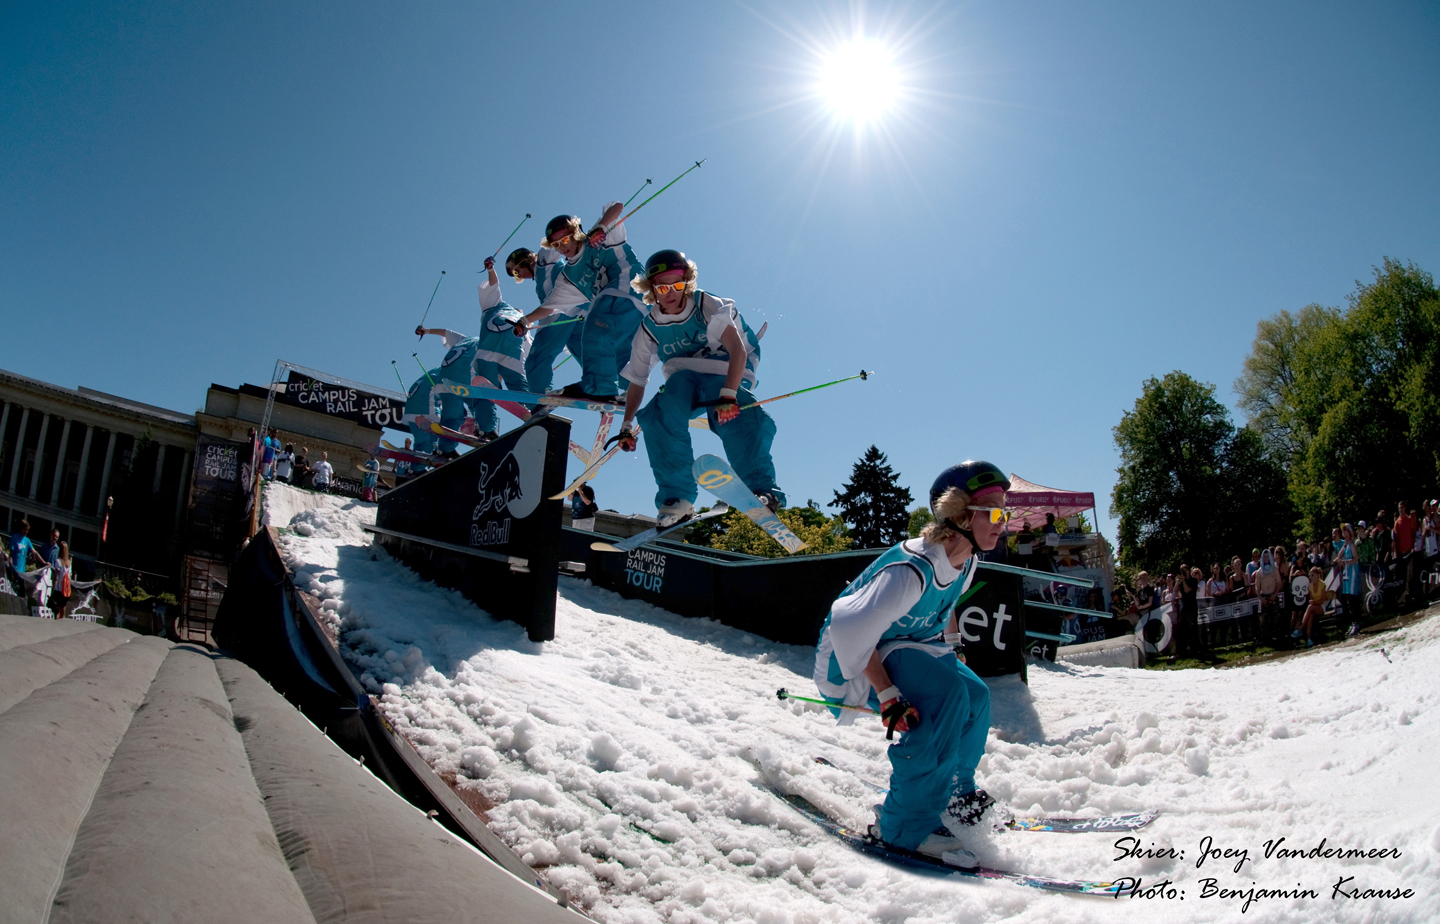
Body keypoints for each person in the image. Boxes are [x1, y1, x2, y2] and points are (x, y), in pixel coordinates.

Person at [811, 461, 1011, 860]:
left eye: (1006, 512)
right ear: (959, 515)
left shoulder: (966, 558)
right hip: (853, 658)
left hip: (907, 645)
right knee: (945, 699)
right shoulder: (910, 570)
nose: (1002, 522)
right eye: (993, 512)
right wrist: (887, 695)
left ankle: (954, 793)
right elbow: (849, 630)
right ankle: (902, 825)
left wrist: (953, 647)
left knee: (975, 696)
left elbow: (949, 602)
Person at [613, 250, 782, 526]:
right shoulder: (649, 327)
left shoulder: (705, 303)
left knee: (743, 417)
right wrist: (627, 424)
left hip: (724, 372)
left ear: (687, 283)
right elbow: (638, 379)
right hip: (684, 379)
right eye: (662, 287)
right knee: (659, 413)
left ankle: (760, 488)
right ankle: (677, 498)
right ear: (651, 289)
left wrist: (729, 394)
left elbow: (737, 350)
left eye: (678, 285)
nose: (671, 294)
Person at [513, 206, 645, 402]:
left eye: (566, 239)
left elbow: (615, 206)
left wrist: (600, 227)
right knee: (618, 349)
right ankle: (626, 392)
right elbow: (550, 307)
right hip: (635, 310)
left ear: (576, 233)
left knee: (594, 328)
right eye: (557, 244)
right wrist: (525, 320)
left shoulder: (598, 239)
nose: (563, 247)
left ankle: (599, 387)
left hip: (631, 289)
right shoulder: (569, 279)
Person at [505, 245, 579, 397]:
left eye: (516, 273)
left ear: (523, 261)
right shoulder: (540, 281)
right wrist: (526, 322)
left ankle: (541, 398)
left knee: (536, 360)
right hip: (579, 312)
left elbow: (556, 243)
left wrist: (525, 320)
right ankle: (606, 389)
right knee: (588, 353)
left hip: (560, 313)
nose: (519, 277)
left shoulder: (544, 260)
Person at [469, 260, 531, 439]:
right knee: (487, 387)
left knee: (518, 383)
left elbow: (533, 350)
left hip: (511, 353)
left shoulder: (525, 324)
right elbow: (495, 285)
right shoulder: (496, 305)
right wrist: (491, 269)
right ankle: (487, 426)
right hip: (490, 350)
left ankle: (533, 407)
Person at [418, 326, 483, 455]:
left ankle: (445, 449)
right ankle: (483, 428)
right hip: (465, 382)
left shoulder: (465, 339)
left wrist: (425, 331)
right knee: (480, 403)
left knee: (452, 417)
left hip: (445, 382)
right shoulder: (489, 346)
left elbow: (445, 332)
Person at [1394, 501, 1420, 610]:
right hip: (1401, 553)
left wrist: (1413, 546)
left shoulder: (1409, 520)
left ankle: (1413, 596)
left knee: (1411, 575)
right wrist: (1396, 552)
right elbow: (1396, 539)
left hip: (1410, 551)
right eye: (1399, 508)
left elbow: (1413, 533)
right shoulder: (1397, 522)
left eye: (1402, 508)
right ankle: (1405, 598)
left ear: (1405, 508)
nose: (1401, 510)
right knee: (1403, 576)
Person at [1296, 566, 1330, 648]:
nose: (1311, 577)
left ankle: (1301, 628)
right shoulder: (1310, 586)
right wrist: (1313, 602)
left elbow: (1322, 600)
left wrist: (1314, 602)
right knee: (1310, 615)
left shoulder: (1322, 584)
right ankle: (1309, 638)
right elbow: (1311, 598)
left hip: (1321, 606)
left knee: (1310, 607)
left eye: (1312, 575)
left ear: (1317, 576)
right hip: (1314, 606)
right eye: (1310, 575)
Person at [48, 541, 72, 618]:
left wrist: (53, 590)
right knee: (63, 608)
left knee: (56, 609)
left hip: (59, 588)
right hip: (66, 589)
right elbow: (70, 576)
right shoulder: (69, 563)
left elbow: (56, 577)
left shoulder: (58, 561)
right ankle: (62, 622)